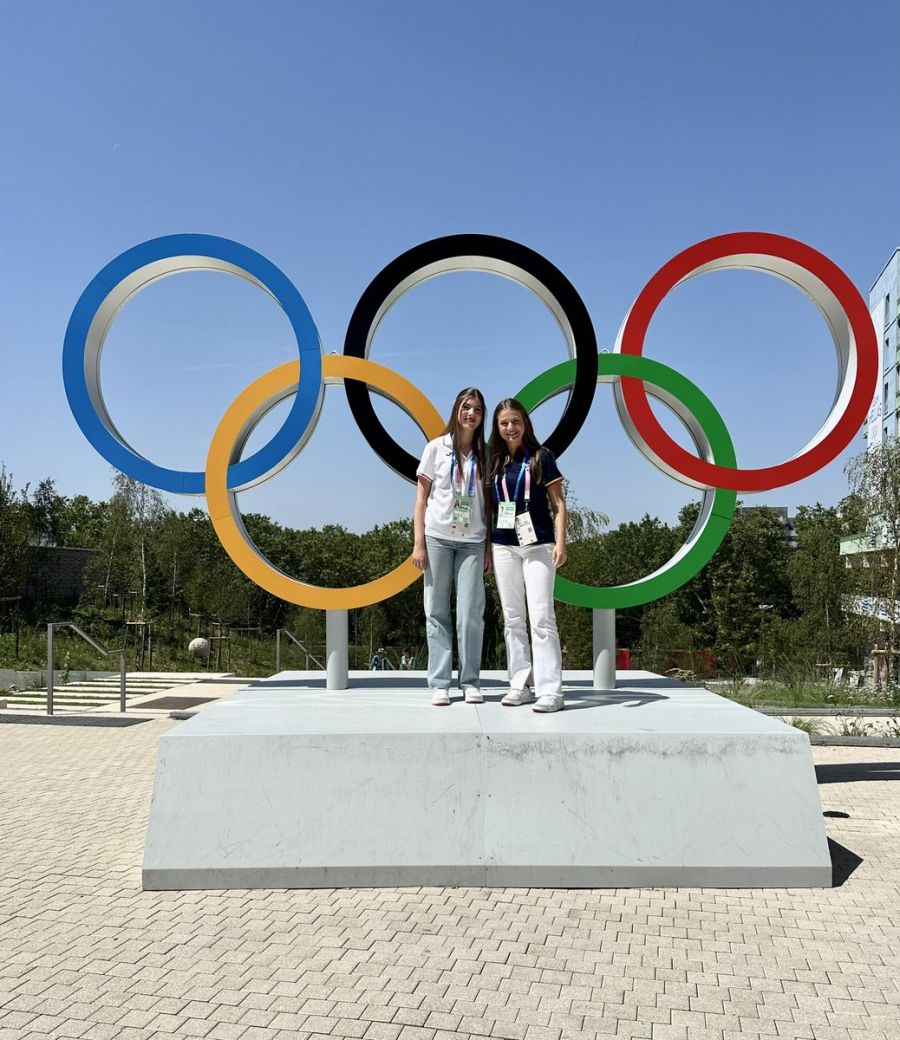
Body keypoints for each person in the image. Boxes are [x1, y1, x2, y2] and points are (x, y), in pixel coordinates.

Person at [413, 387, 490, 706]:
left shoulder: (486, 453)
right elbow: (420, 499)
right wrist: (418, 543)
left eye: (477, 409)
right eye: (466, 407)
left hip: (473, 541)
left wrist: (488, 548)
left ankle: (470, 680)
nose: (471, 413)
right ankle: (440, 682)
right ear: (456, 410)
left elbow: (491, 505)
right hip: (437, 538)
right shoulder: (435, 448)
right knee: (437, 610)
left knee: (471, 612)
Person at [489, 398, 567, 713]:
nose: (511, 428)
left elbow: (559, 504)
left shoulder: (541, 457)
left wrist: (561, 542)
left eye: (516, 422)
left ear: (525, 424)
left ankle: (551, 691)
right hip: (503, 545)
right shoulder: (493, 461)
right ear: (497, 427)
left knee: (542, 617)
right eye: (504, 423)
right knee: (512, 619)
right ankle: (520, 684)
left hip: (539, 545)